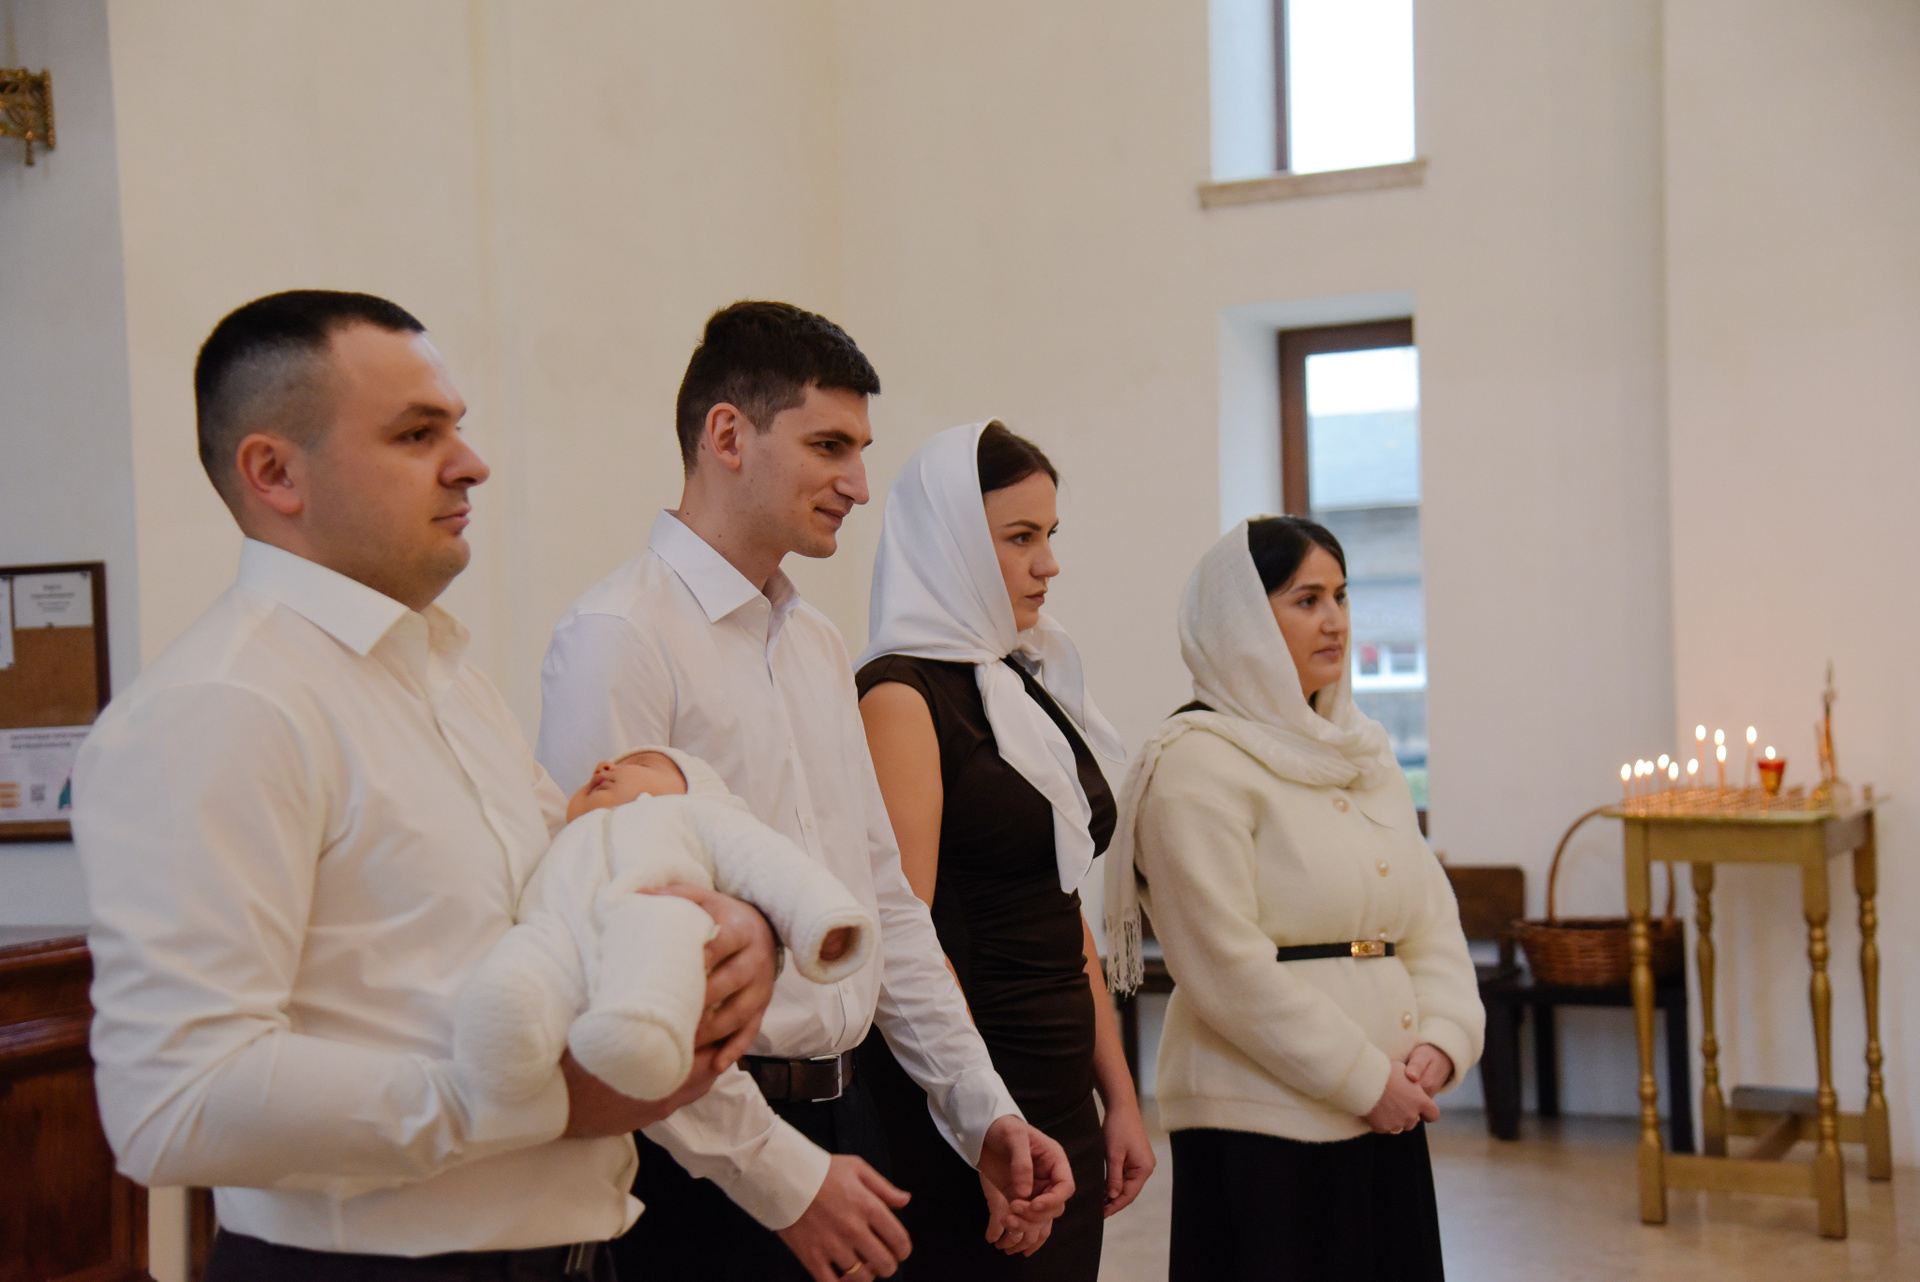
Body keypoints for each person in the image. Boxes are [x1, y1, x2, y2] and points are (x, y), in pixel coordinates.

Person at [71, 291, 779, 1279]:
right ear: (275, 472)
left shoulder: (447, 679)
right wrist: (536, 1100)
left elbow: (566, 901)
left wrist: (731, 926)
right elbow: (174, 1101)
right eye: (417, 434)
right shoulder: (222, 704)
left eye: (457, 426)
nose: (471, 462)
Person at [537, 302, 1074, 1282]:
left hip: (845, 1110)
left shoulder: (817, 644)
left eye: (861, 450)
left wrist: (981, 1107)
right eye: (830, 446)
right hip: (696, 1146)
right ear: (727, 435)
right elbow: (609, 953)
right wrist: (773, 1175)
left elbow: (884, 904)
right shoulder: (620, 635)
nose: (859, 484)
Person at [1104, 516, 1483, 1282]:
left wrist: (1442, 1041)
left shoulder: (1365, 752)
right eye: (1306, 599)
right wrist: (1364, 1080)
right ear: (1241, 620)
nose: (1335, 619)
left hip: (1392, 1103)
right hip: (1262, 1121)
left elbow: (1427, 920)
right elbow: (1225, 967)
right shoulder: (1195, 765)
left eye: (1341, 596)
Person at [853, 421, 1156, 1280]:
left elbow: (1059, 904)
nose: (1047, 564)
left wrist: (1119, 1096)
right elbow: (909, 931)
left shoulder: (1022, 681)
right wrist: (981, 1124)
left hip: (1060, 1089)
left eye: (1049, 535)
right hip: (970, 1095)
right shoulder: (899, 696)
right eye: (1020, 538)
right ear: (947, 542)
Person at [454, 746, 875, 1106]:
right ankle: (504, 1035)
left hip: (649, 914)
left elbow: (768, 862)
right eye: (604, 766)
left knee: (664, 932)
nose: (604, 766)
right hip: (555, 930)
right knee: (527, 957)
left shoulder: (693, 816)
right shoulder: (563, 838)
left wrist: (822, 919)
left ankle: (641, 1033)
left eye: (642, 763)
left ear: (697, 791)